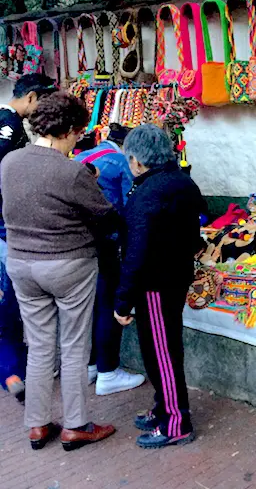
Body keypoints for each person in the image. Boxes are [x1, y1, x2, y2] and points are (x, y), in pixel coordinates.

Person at [1, 93, 116, 451]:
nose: (78, 140)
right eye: (78, 133)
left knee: (38, 346)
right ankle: (77, 424)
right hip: (68, 263)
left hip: (20, 263)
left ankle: (36, 425)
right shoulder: (71, 170)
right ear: (67, 130)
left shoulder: (10, 162)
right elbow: (106, 215)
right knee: (74, 345)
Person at [114, 124, 206, 449]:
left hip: (155, 283)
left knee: (162, 354)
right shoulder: (183, 182)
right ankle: (163, 406)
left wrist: (122, 301)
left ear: (137, 161)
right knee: (162, 351)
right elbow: (196, 228)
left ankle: (176, 423)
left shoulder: (148, 192)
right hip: (174, 277)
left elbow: (136, 252)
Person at [0, 73, 59, 403]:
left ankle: (13, 373)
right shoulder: (8, 125)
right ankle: (14, 373)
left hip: (8, 229)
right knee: (11, 307)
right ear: (32, 98)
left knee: (11, 308)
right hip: (7, 229)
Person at [75, 123, 145, 395]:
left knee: (90, 305)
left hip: (80, 244)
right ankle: (108, 372)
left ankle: (91, 366)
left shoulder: (81, 157)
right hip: (106, 242)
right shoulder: (121, 162)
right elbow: (132, 203)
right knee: (108, 305)